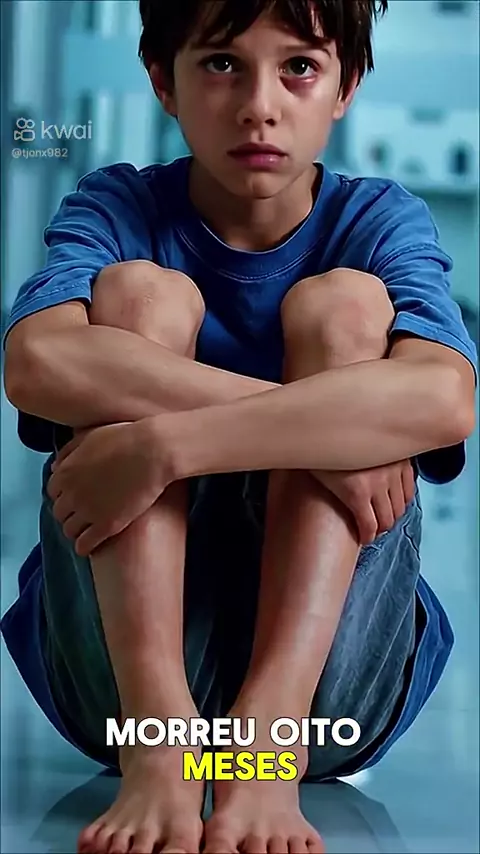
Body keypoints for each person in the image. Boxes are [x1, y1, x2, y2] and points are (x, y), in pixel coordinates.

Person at [1, 0, 477, 852]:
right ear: (163, 81)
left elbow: (445, 400)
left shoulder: (377, 220)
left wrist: (166, 442)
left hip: (329, 701)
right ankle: (163, 747)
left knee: (346, 307)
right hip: (117, 697)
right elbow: (36, 363)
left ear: (346, 86)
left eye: (299, 67)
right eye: (222, 64)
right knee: (138, 295)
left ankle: (266, 744)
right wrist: (332, 422)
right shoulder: (120, 206)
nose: (261, 105)